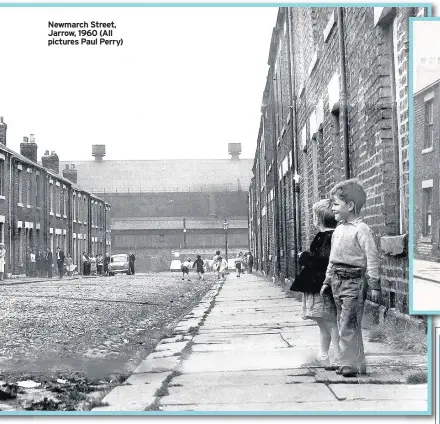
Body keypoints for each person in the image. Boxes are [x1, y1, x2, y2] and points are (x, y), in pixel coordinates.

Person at [321, 179, 381, 378]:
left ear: (351, 206)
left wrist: (374, 284)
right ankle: (358, 361)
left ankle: (348, 362)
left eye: (336, 204)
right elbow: (333, 259)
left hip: (354, 281)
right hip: (337, 281)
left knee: (348, 322)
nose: (333, 208)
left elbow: (372, 257)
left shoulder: (361, 229)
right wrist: (327, 281)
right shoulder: (338, 229)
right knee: (345, 322)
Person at [290, 199, 340, 368]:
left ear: (317, 219)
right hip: (318, 284)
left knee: (329, 322)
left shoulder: (328, 237)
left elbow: (325, 259)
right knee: (324, 323)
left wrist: (305, 257)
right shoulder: (327, 236)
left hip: (321, 286)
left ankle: (338, 356)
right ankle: (324, 354)